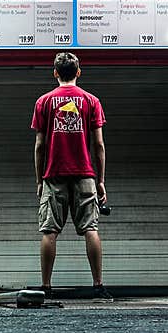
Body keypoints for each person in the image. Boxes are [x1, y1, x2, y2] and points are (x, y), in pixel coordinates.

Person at [31, 52, 112, 300]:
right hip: (85, 174)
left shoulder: (43, 102)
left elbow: (39, 145)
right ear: (78, 72)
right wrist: (100, 181)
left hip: (53, 174)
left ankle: (46, 287)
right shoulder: (91, 101)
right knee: (91, 228)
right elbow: (98, 144)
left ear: (55, 73)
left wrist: (39, 180)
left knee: (49, 231)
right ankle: (98, 286)